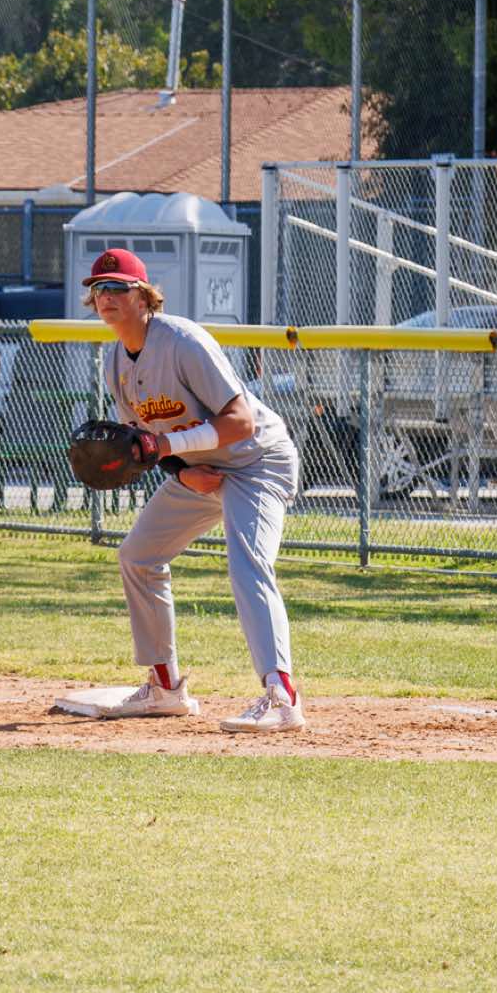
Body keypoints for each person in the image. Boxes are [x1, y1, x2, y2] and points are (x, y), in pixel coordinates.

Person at [79, 247, 306, 733]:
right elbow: (143, 443)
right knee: (138, 556)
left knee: (248, 562)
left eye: (117, 287)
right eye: (98, 289)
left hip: (257, 462)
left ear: (144, 296)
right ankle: (165, 687)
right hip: (201, 468)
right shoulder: (116, 360)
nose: (105, 296)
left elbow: (240, 422)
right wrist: (180, 472)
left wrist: (168, 446)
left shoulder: (182, 341)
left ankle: (282, 696)